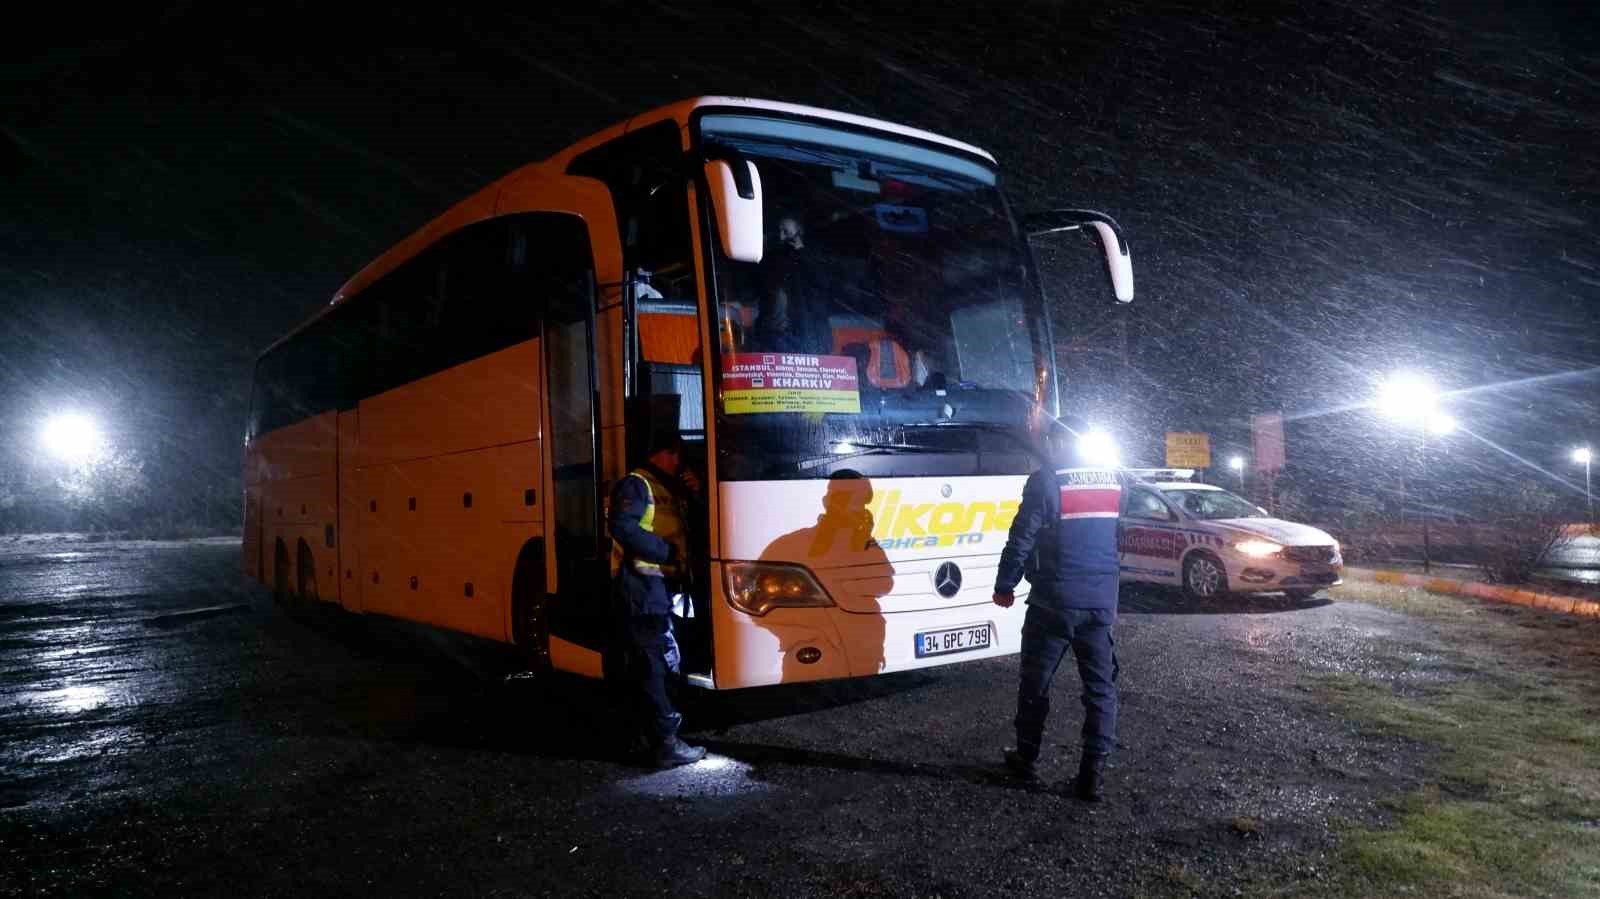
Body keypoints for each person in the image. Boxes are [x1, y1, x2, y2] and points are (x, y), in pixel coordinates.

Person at [991, 439, 1123, 801]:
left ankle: (1026, 756)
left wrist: (1005, 584)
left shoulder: (1047, 481)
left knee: (1036, 682)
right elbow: (1117, 535)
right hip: (1099, 602)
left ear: (1059, 442)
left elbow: (1021, 537)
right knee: (1100, 690)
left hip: (1054, 601)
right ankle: (1091, 776)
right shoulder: (1114, 480)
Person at [607, 428, 706, 768]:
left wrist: (696, 495)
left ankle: (649, 737)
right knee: (654, 664)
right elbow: (622, 526)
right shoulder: (637, 484)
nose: (679, 460)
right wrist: (664, 552)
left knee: (661, 662)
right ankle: (665, 743)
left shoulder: (668, 488)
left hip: (665, 589)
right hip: (643, 589)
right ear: (658, 453)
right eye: (674, 453)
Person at [755, 214, 826, 353]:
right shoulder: (772, 259)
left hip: (805, 335)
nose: (781, 237)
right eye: (779, 232)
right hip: (774, 333)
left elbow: (821, 282)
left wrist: (801, 252)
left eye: (786, 232)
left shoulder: (811, 258)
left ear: (798, 234)